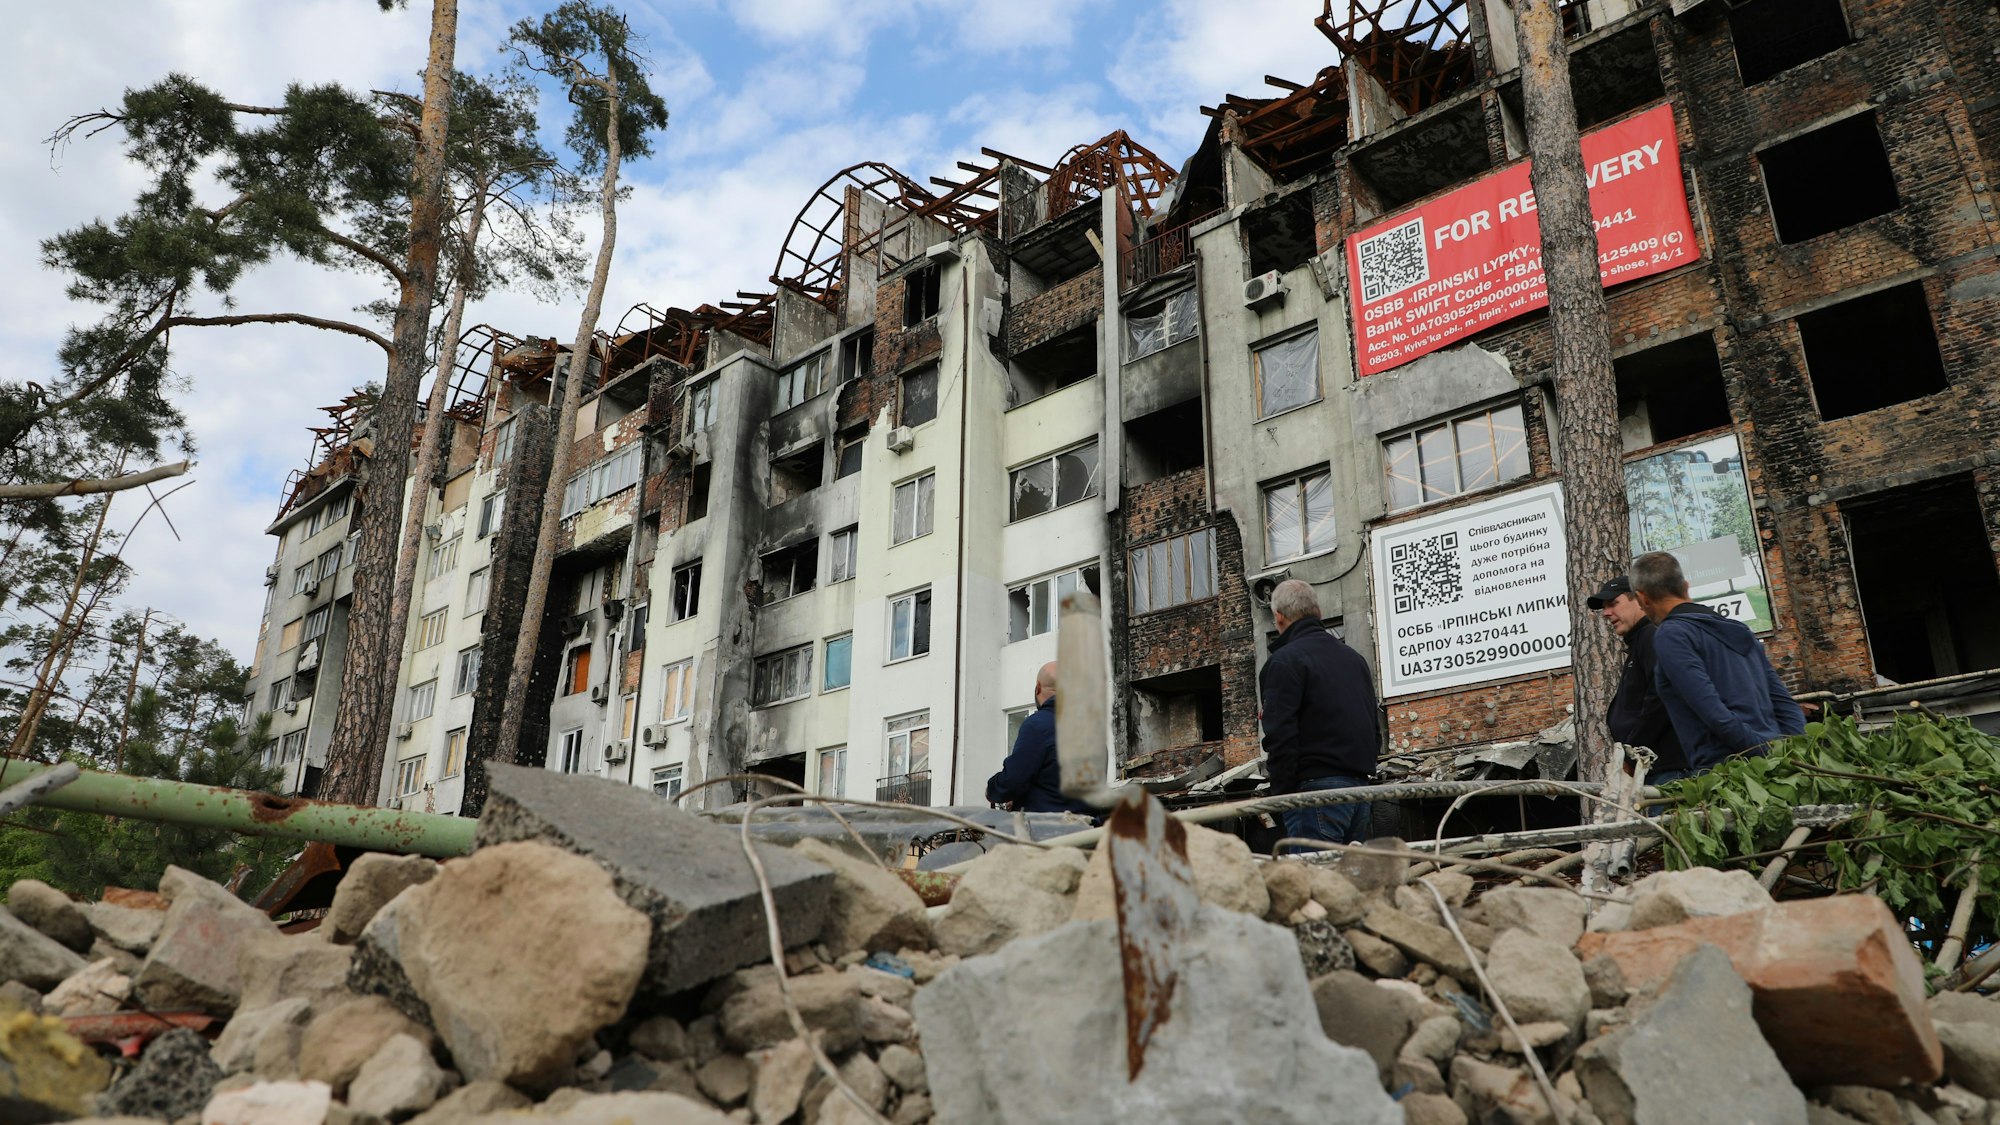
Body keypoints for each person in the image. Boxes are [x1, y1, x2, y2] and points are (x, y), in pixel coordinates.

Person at [1629, 551, 1804, 773]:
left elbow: (1714, 713)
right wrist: (1791, 751)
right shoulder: (1740, 629)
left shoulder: (1672, 635)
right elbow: (1785, 703)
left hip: (1727, 773)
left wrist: (1767, 756)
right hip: (1779, 763)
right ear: (1685, 586)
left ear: (1642, 598)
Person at [1260, 579, 1381, 845]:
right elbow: (1373, 726)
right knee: (1345, 881)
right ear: (1319, 614)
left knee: (1313, 883)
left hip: (1314, 794)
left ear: (1278, 618)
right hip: (1359, 791)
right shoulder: (1354, 659)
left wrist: (1281, 795)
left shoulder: (1284, 662)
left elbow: (1280, 735)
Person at [1588, 574, 1693, 785]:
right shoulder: (1641, 641)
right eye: (1604, 608)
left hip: (1670, 769)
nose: (1607, 613)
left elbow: (1661, 696)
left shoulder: (1651, 636)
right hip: (1659, 767)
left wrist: (1632, 750)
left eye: (1613, 603)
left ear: (1638, 599)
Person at [986, 662, 1094, 815]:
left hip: (1047, 832)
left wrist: (992, 789)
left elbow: (1013, 781)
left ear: (1038, 687)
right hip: (1087, 830)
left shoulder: (1037, 725)